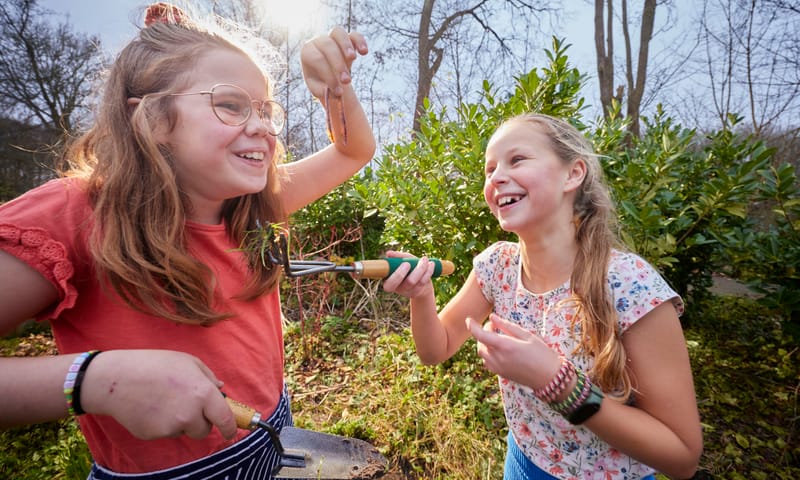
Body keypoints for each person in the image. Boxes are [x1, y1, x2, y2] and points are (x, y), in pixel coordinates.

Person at [0, 2, 375, 478]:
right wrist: (96, 380)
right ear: (153, 119)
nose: (261, 126)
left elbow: (354, 150)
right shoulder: (71, 217)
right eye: (232, 105)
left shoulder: (254, 205)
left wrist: (333, 92)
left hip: (271, 442)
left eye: (265, 109)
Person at [382, 113, 703, 480]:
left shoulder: (630, 284)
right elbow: (434, 349)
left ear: (573, 174)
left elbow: (681, 457)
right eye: (489, 169)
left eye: (517, 160)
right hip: (521, 464)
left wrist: (557, 382)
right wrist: (422, 295)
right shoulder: (497, 266)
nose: (496, 177)